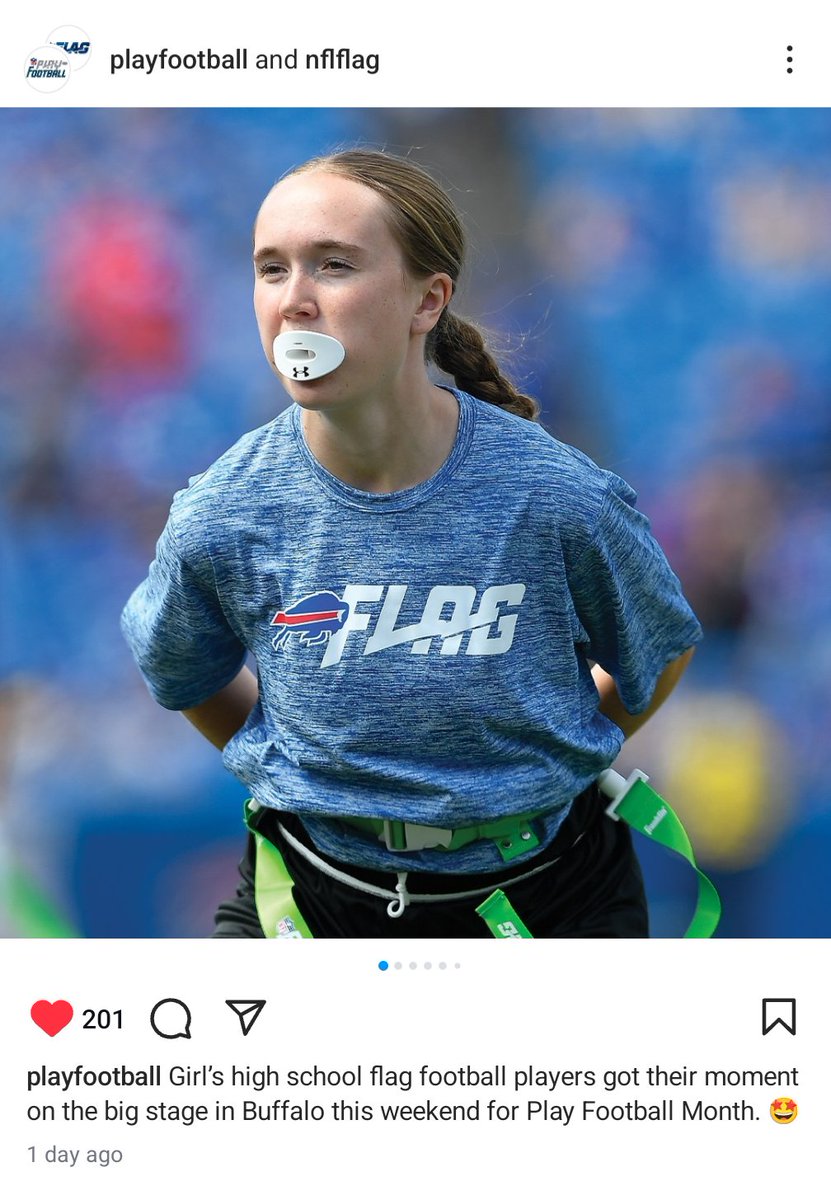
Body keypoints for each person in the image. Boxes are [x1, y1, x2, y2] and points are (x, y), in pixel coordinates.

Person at [121, 148, 702, 939]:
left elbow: (658, 651)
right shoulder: (221, 514)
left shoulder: (560, 497)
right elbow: (184, 673)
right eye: (270, 269)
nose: (294, 300)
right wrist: (312, 776)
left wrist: (549, 760)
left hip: (557, 894)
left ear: (426, 301)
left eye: (332, 265)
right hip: (314, 896)